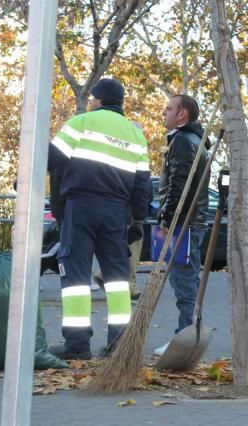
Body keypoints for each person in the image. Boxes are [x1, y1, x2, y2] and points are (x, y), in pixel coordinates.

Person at [47, 78, 151, 360]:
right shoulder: (135, 134)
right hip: (116, 212)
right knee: (117, 279)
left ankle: (77, 346)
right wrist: (138, 222)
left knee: (77, 276)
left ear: (99, 100)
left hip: (81, 207)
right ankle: (120, 346)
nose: (91, 102)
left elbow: (52, 159)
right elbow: (143, 184)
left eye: (93, 98)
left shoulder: (82, 122)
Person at [154, 94, 210, 356]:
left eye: (169, 109)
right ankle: (187, 334)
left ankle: (184, 339)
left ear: (182, 114)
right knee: (185, 280)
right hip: (190, 221)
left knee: (184, 281)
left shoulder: (183, 142)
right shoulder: (193, 140)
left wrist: (167, 219)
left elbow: (179, 184)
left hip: (184, 223)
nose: (164, 113)